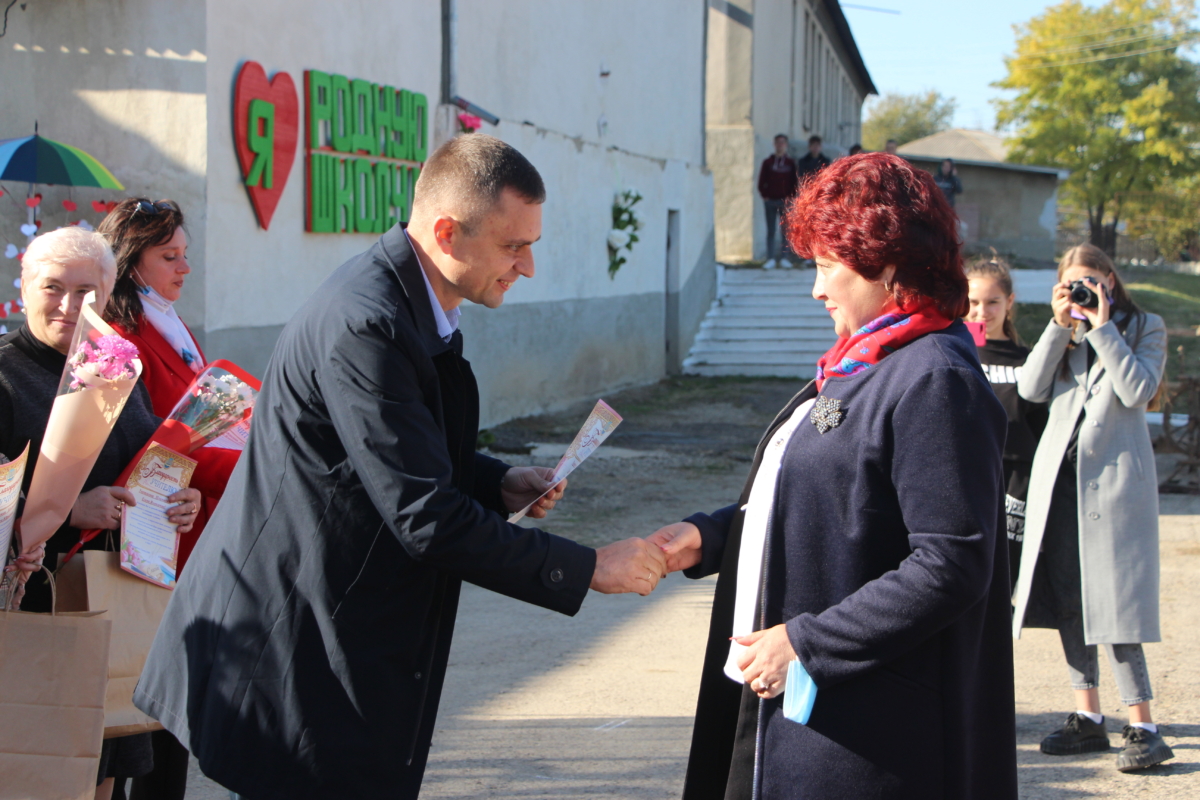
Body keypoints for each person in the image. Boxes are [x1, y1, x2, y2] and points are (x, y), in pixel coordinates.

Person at [133, 134, 667, 800]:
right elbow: (426, 515)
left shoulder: (412, 303)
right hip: (290, 650)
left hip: (332, 637)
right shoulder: (370, 323)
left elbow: (392, 451)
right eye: (513, 246)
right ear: (447, 232)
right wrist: (587, 568)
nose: (528, 267)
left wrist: (496, 482)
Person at [651, 153, 1016, 798]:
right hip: (803, 706)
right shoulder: (867, 362)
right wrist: (711, 537)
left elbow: (951, 563)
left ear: (888, 263)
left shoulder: (935, 378)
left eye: (826, 266)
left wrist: (806, 642)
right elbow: (829, 503)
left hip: (868, 733)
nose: (816, 290)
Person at [0, 227, 202, 800]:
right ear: (23, 287)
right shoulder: (5, 375)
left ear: (107, 295)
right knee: (37, 773)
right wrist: (69, 511)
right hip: (33, 616)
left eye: (86, 291)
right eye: (52, 287)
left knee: (104, 771)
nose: (68, 305)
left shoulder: (115, 369)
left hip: (111, 611)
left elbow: (141, 461)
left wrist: (178, 500)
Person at [1013, 243, 1172, 772]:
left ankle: (1144, 726)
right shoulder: (1066, 333)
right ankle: (1088, 717)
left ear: (1109, 279)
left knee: (1116, 605)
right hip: (1059, 483)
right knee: (1068, 600)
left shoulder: (1144, 326)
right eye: (1072, 283)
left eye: (1091, 282)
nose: (1083, 291)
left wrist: (1103, 330)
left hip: (1114, 486)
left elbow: (1137, 391)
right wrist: (1059, 327)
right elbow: (1030, 388)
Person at [965, 254, 1047, 590]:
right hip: (966, 474)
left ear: (1009, 302)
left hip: (1014, 481)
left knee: (1005, 579)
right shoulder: (950, 351)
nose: (981, 312)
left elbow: (1039, 425)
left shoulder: (1029, 361)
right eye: (973, 302)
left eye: (992, 302)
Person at [757, 134, 798, 269]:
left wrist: (791, 197)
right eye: (778, 142)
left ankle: (785, 258)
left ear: (786, 145)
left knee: (785, 231)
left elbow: (795, 182)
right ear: (774, 144)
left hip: (785, 202)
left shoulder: (790, 163)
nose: (780, 145)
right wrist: (765, 195)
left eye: (782, 142)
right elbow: (761, 181)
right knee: (771, 231)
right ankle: (770, 258)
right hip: (770, 201)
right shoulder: (767, 162)